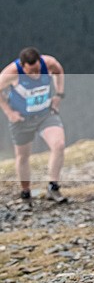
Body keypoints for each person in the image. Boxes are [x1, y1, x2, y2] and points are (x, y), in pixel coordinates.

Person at [0, 47, 67, 204]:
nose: (35, 74)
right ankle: (25, 193)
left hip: (45, 114)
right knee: (23, 156)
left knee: (59, 145)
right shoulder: (11, 73)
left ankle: (53, 187)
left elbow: (59, 70)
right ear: (23, 66)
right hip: (22, 119)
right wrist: (9, 112)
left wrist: (59, 94)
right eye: (30, 71)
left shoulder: (48, 63)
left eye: (37, 69)